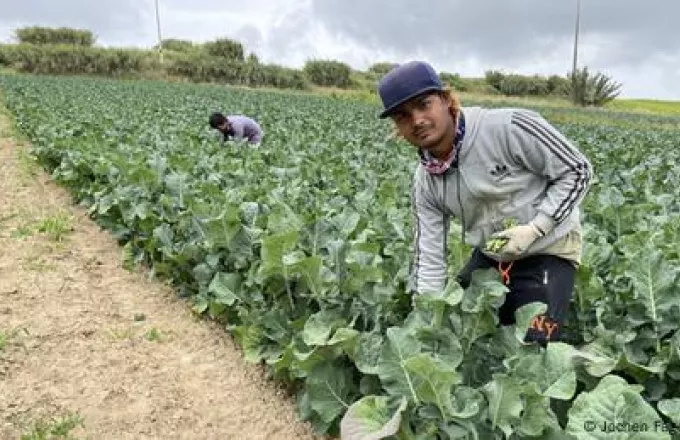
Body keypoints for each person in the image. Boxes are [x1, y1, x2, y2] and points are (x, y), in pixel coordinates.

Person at [377, 61, 593, 346]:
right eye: (403, 116)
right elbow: (429, 254)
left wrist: (537, 228)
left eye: (424, 105)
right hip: (492, 254)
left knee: (535, 349)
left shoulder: (509, 127)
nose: (417, 120)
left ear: (445, 99)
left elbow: (578, 171)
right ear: (397, 128)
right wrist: (426, 320)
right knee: (456, 326)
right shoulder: (426, 180)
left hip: (549, 249)